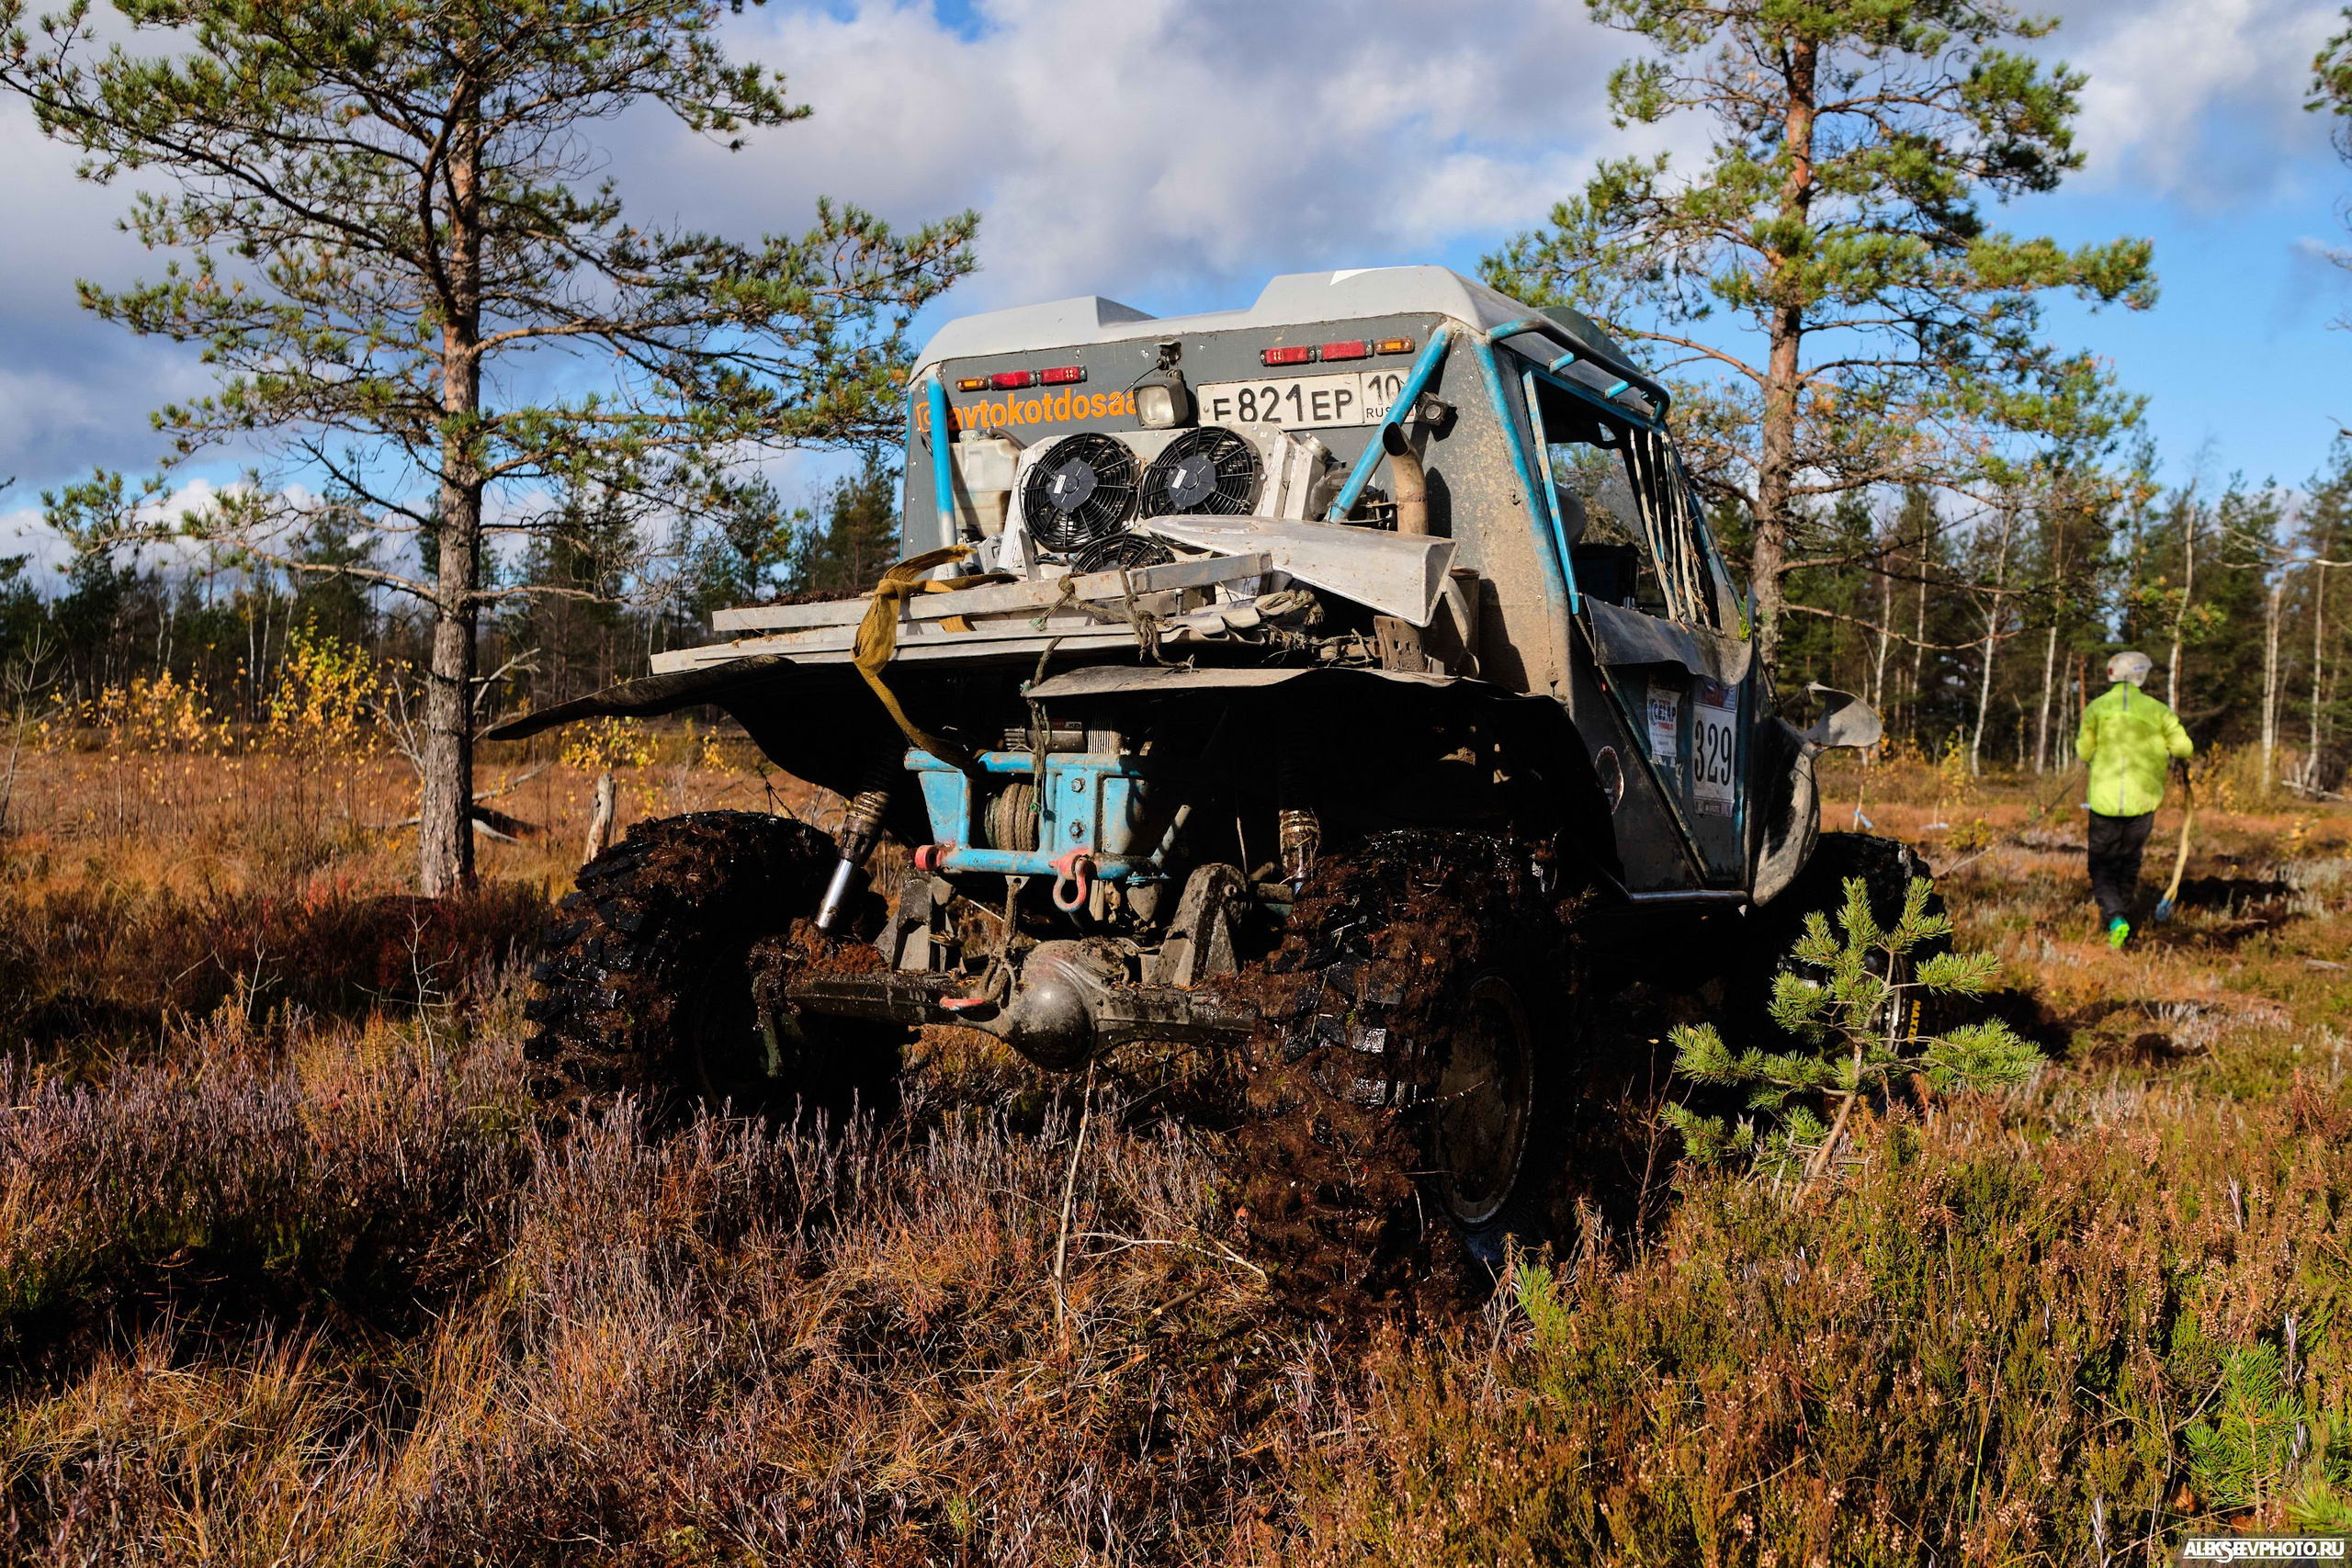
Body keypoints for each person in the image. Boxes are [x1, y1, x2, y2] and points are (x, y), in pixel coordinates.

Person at [2075, 650, 2193, 949]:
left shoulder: (2098, 708)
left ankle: (2115, 918)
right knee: (2129, 863)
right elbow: (2183, 747)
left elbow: (2084, 752)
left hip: (2104, 802)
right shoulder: (2157, 710)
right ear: (2140, 675)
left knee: (2101, 865)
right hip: (2143, 802)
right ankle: (2120, 917)